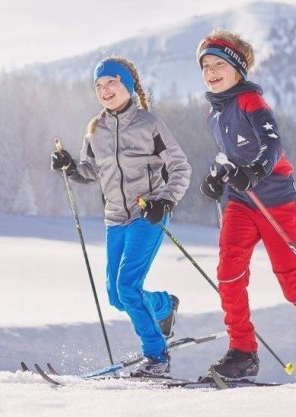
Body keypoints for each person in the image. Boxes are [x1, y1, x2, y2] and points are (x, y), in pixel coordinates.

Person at [195, 30, 296, 382]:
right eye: (205, 65)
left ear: (237, 68)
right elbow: (228, 154)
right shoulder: (214, 114)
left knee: (293, 286)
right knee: (228, 273)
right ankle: (242, 352)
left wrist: (255, 171)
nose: (211, 71)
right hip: (241, 202)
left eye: (219, 63)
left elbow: (272, 144)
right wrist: (215, 175)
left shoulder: (251, 101)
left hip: (277, 202)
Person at [50, 56, 192, 378]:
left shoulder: (150, 125)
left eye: (112, 82)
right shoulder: (95, 129)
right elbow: (90, 171)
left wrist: (166, 201)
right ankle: (165, 306)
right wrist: (69, 167)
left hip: (148, 215)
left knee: (128, 286)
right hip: (115, 219)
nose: (105, 90)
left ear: (128, 85)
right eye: (99, 85)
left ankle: (157, 357)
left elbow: (181, 167)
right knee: (117, 297)